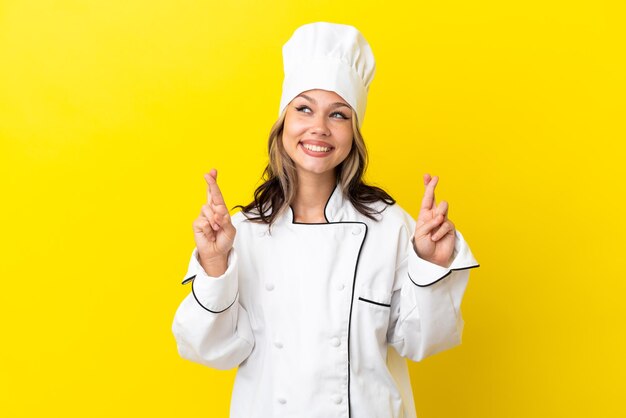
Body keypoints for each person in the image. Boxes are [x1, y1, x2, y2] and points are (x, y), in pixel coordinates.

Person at [172, 22, 479, 418]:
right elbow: (206, 350)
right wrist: (214, 266)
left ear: (354, 132)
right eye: (304, 109)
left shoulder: (391, 228)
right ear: (283, 122)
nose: (319, 127)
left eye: (338, 114)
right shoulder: (242, 233)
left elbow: (421, 342)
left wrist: (429, 265)